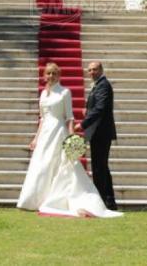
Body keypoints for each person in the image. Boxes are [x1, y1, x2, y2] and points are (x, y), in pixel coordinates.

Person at [17, 63, 121, 218]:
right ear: (45, 75)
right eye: (48, 73)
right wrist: (36, 138)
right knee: (42, 165)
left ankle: (106, 201)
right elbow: (42, 118)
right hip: (45, 134)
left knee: (80, 166)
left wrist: (72, 137)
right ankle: (36, 200)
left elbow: (70, 117)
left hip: (60, 132)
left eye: (54, 73)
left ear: (59, 75)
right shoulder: (43, 94)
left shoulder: (65, 92)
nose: (51, 76)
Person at [74, 61, 118, 211]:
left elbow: (100, 108)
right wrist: (87, 110)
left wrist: (83, 123)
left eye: (95, 69)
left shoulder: (103, 85)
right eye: (90, 70)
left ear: (101, 70)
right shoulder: (98, 85)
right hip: (97, 132)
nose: (92, 72)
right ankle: (108, 200)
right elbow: (97, 106)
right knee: (101, 167)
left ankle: (104, 201)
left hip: (101, 132)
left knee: (100, 168)